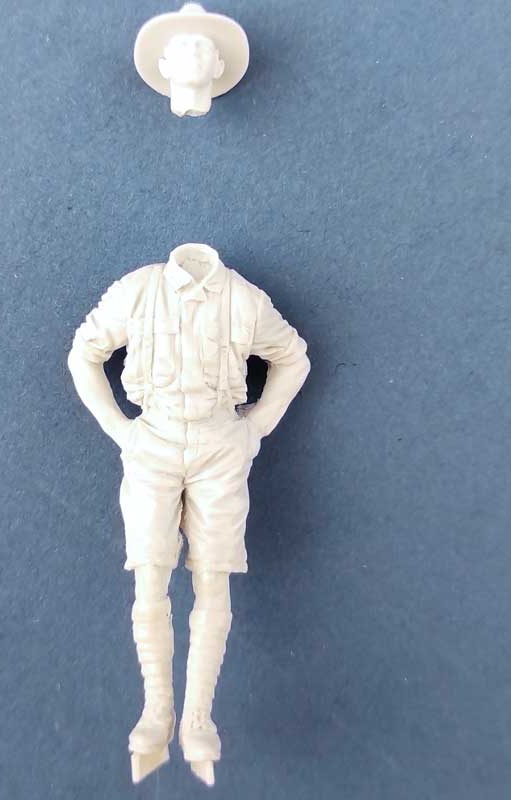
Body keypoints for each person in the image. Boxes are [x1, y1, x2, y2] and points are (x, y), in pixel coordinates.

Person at [67, 243, 310, 784]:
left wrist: (255, 428)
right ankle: (156, 710)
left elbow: (294, 357)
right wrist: (121, 431)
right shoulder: (138, 290)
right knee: (149, 575)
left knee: (213, 578)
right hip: (152, 442)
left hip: (219, 445)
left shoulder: (243, 299)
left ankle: (199, 718)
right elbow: (84, 353)